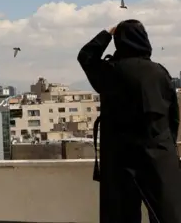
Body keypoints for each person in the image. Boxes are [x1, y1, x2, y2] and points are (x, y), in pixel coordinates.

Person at [77, 19, 181, 223]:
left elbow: (86, 56)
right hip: (158, 156)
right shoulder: (160, 73)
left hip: (120, 158)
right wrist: (166, 147)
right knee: (168, 215)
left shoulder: (111, 71)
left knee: (121, 215)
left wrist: (107, 33)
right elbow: (173, 117)